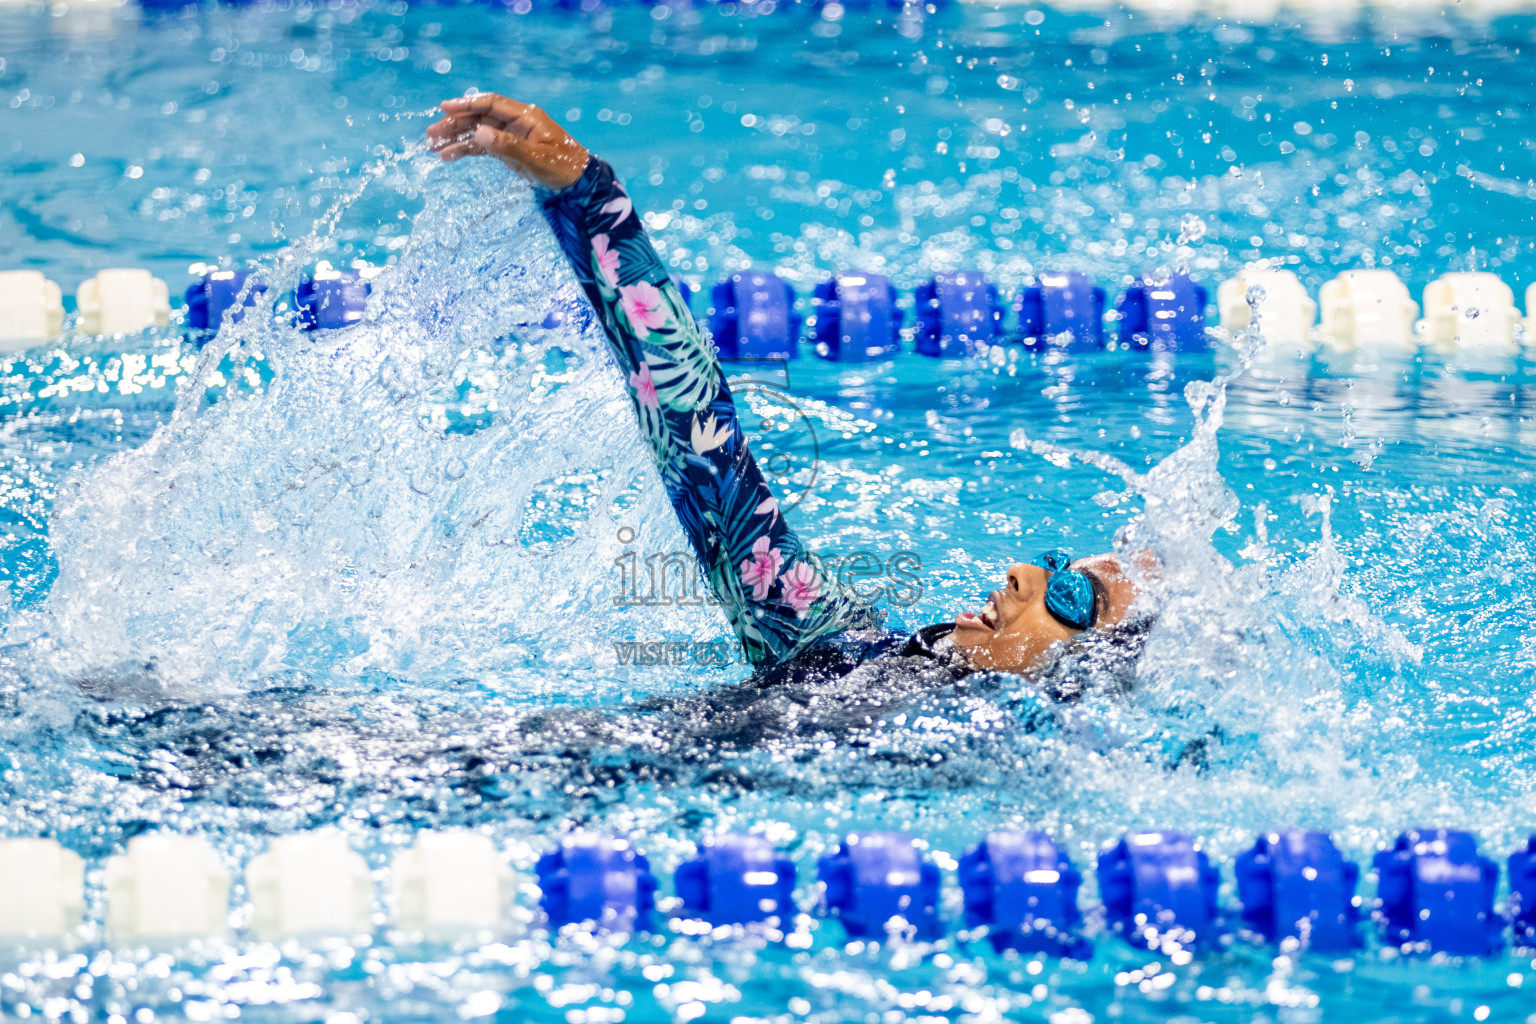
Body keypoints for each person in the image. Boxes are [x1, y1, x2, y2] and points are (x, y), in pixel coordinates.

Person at [427, 94, 1152, 697]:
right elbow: (704, 445)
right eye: (1054, 563)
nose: (1024, 573)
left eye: (1071, 598)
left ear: (1084, 672)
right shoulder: (836, 643)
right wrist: (587, 193)